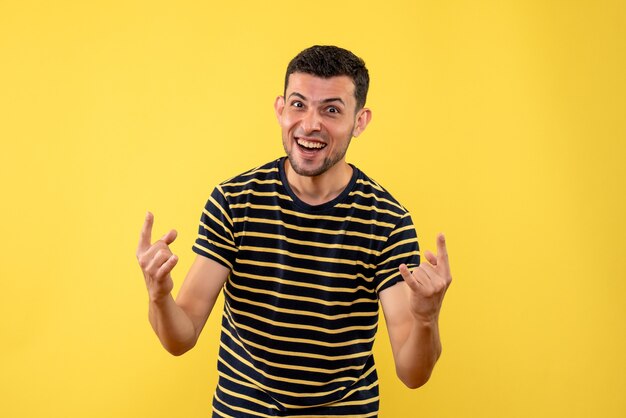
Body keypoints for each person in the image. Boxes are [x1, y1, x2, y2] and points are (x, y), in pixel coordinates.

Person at [136, 45, 452, 417]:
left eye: (331, 110)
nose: (310, 124)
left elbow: (413, 373)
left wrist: (428, 318)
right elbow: (181, 337)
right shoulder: (235, 201)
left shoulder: (387, 221)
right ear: (280, 109)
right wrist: (159, 295)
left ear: (360, 121)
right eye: (299, 104)